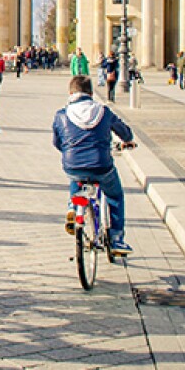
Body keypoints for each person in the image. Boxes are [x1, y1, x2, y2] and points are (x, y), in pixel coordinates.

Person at [52, 75, 136, 254]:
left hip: (72, 164)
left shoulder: (61, 114)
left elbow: (57, 142)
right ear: (91, 93)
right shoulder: (103, 111)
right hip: (101, 165)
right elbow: (125, 132)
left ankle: (73, 208)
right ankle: (116, 239)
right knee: (115, 196)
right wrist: (128, 140)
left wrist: (69, 151)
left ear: (70, 93)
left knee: (77, 175)